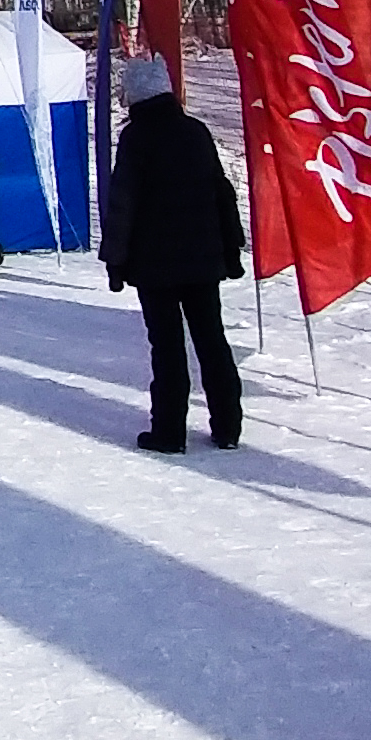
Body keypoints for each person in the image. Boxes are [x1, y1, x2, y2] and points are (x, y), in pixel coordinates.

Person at [103, 57, 245, 452]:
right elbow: (222, 193)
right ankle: (228, 427)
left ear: (134, 95)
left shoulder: (135, 139)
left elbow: (123, 204)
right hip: (203, 260)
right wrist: (232, 247)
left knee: (167, 348)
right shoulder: (195, 132)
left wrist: (116, 259)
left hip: (154, 266)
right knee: (212, 340)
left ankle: (169, 432)